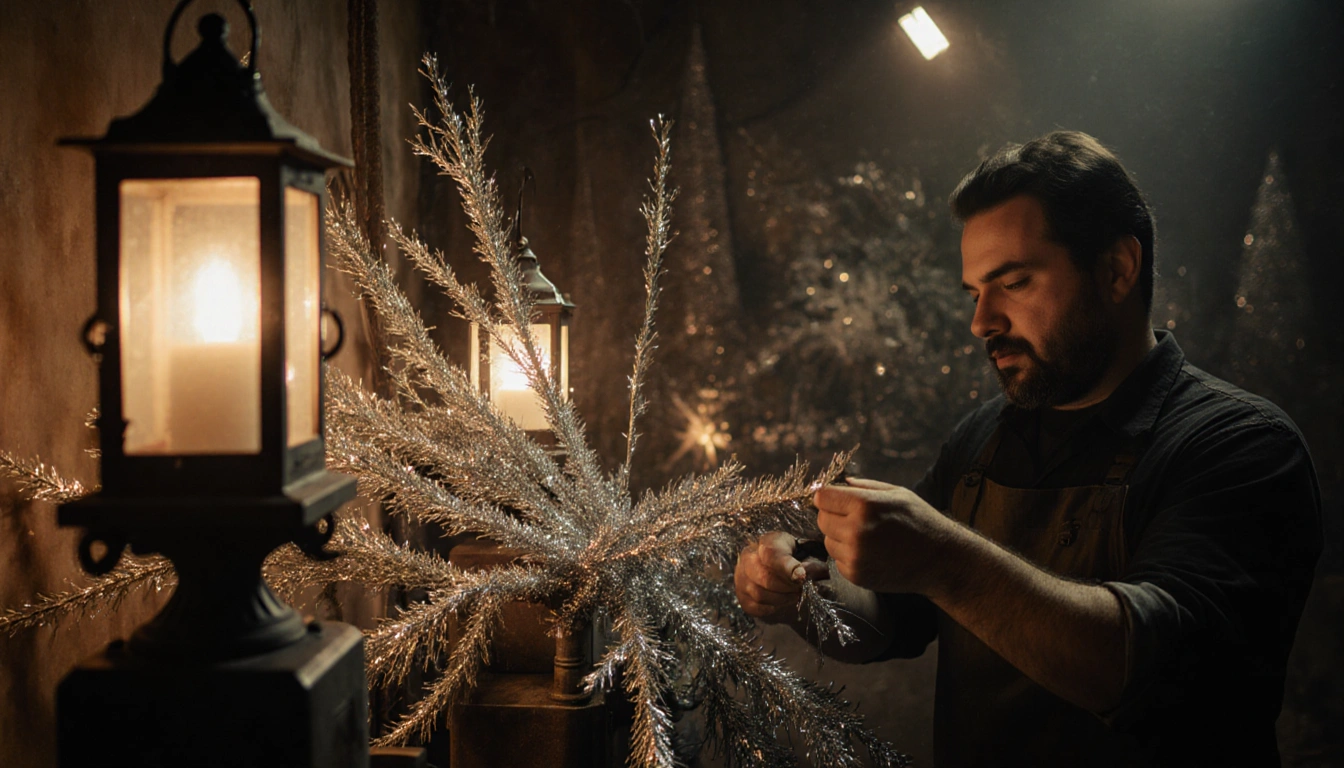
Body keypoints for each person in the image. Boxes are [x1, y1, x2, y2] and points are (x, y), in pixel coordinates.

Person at [734, 131, 1322, 767]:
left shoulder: (1240, 445)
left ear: (1118, 270)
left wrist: (942, 557)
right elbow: (891, 618)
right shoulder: (981, 441)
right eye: (975, 292)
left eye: (1013, 282)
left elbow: (1151, 668)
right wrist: (806, 596)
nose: (981, 321)